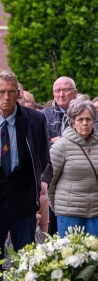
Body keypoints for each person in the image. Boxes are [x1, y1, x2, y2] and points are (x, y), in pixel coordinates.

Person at [0, 71, 50, 252]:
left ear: (18, 93)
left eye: (11, 91)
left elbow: (42, 157)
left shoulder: (35, 119)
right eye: (1, 92)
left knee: (26, 257)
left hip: (23, 199)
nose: (6, 97)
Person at [48, 99, 98, 235]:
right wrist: (59, 208)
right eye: (80, 119)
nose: (85, 123)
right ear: (72, 122)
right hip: (70, 214)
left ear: (94, 121)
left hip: (96, 213)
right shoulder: (60, 146)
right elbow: (50, 182)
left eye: (88, 119)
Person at [43, 76, 78, 141]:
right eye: (57, 91)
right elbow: (41, 142)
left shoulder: (85, 113)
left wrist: (60, 139)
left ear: (75, 93)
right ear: (53, 94)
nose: (61, 95)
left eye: (66, 90)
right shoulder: (43, 115)